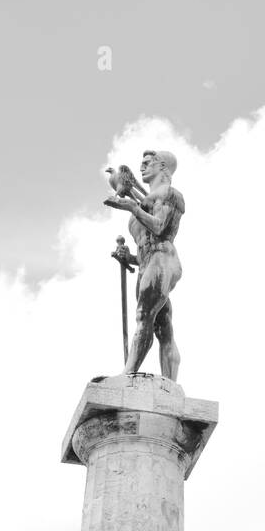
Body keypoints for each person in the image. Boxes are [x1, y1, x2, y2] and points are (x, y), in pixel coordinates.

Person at [104, 149, 184, 380]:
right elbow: (145, 246)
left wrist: (132, 208)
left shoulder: (170, 194)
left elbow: (160, 229)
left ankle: (127, 375)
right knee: (162, 326)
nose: (142, 168)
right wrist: (128, 258)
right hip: (148, 262)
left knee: (143, 315)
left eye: (148, 163)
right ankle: (169, 384)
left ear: (163, 167)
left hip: (163, 259)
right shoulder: (147, 199)